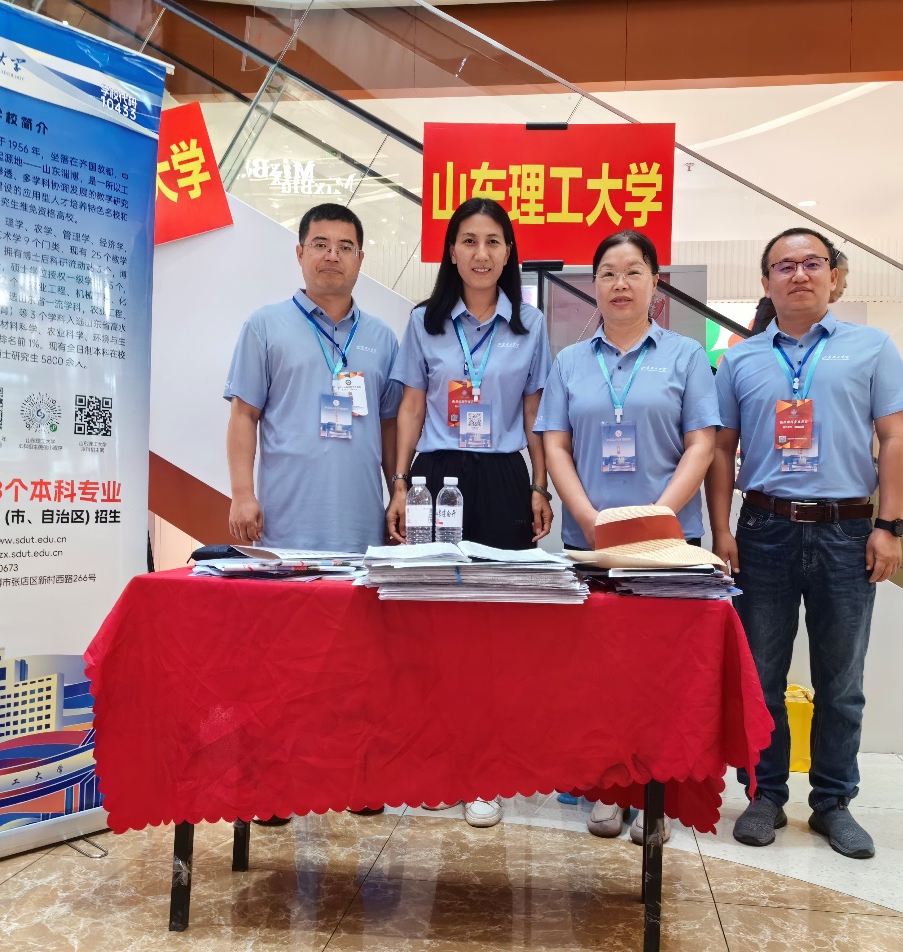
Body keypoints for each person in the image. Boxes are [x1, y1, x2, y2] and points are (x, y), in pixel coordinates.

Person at [705, 227, 903, 859]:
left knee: (841, 678)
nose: (799, 274)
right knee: (761, 674)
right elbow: (719, 449)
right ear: (766, 281)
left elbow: (896, 438)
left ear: (835, 276)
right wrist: (722, 530)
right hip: (763, 529)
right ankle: (764, 794)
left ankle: (833, 803)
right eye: (785, 265)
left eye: (812, 263)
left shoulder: (872, 348)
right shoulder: (740, 360)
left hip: (847, 531)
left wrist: (890, 525)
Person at [535, 229, 719, 846]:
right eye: (608, 273)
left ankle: (657, 794)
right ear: (593, 285)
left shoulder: (686, 356)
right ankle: (608, 790)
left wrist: (657, 516)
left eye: (634, 272)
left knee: (663, 673)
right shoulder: (570, 362)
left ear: (655, 283)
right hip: (590, 542)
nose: (621, 284)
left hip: (669, 543)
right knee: (598, 669)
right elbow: (555, 445)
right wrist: (589, 517)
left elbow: (702, 444)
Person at [224, 202, 402, 823]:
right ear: (299, 253)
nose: (332, 255)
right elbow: (243, 416)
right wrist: (242, 494)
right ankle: (276, 785)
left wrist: (397, 492)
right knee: (282, 662)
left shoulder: (382, 338)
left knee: (357, 661)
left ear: (361, 258)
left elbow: (390, 426)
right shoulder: (265, 326)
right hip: (285, 525)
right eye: (320, 243)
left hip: (359, 526)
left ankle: (358, 777)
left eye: (345, 246)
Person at [385, 197, 553, 829]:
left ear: (508, 254)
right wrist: (399, 483)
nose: (481, 253)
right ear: (451, 252)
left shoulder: (530, 326)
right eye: (469, 241)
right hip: (436, 477)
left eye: (493, 241)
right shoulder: (423, 322)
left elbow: (535, 413)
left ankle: (486, 770)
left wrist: (540, 486)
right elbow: (410, 407)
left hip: (504, 477)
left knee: (497, 627)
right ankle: (439, 760)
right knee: (435, 622)